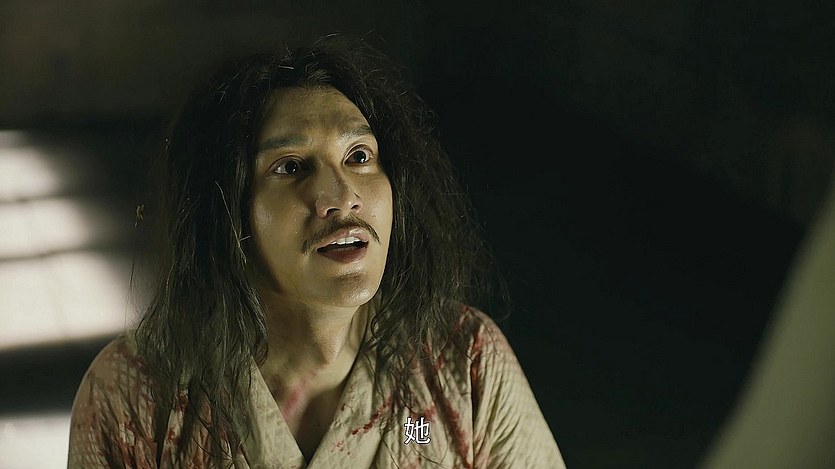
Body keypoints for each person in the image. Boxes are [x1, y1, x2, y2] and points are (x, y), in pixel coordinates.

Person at [67, 34, 566, 468]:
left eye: (359, 156)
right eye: (290, 167)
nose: (342, 195)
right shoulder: (136, 395)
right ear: (223, 212)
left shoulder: (463, 363)